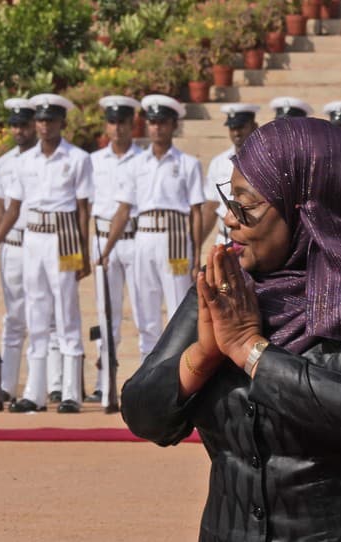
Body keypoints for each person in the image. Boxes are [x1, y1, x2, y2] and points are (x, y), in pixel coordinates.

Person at [122, 117, 341, 541]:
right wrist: (204, 356)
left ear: (310, 207)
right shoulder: (231, 285)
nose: (229, 219)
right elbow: (141, 414)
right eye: (230, 200)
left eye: (246, 204)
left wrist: (251, 351)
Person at [0, 93, 92, 413]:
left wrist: (85, 252)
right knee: (36, 312)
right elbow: (13, 208)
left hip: (64, 236)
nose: (45, 125)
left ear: (62, 122)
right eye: (41, 120)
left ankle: (71, 391)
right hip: (33, 235)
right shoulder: (24, 162)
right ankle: (34, 391)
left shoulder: (77, 158)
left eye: (51, 120)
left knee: (66, 311)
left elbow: (83, 209)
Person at [105, 94, 204, 361]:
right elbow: (123, 210)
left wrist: (195, 255)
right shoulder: (136, 164)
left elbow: (196, 212)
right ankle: (147, 376)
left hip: (174, 238)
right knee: (145, 312)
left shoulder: (187, 164)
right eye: (152, 122)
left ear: (173, 125)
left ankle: (177, 374)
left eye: (163, 122)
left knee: (177, 312)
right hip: (143, 236)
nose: (157, 128)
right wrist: (107, 249)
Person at [86, 95, 142, 403]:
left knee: (142, 311)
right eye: (112, 122)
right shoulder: (93, 161)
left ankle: (147, 378)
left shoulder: (142, 158)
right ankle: (102, 379)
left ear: (132, 125)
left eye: (122, 122)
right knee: (105, 314)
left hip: (135, 237)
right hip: (102, 237)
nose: (117, 128)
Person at [0, 97, 37, 402]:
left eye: (24, 124)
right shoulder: (4, 164)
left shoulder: (46, 159)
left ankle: (50, 384)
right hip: (13, 245)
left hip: (44, 240)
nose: (19, 130)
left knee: (47, 318)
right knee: (14, 317)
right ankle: (6, 384)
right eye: (14, 125)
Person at [202, 103, 259, 248]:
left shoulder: (264, 160)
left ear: (254, 126)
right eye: (232, 128)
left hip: (252, 240)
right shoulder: (219, 162)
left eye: (241, 127)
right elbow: (211, 206)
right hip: (224, 238)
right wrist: (197, 246)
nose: (236, 133)